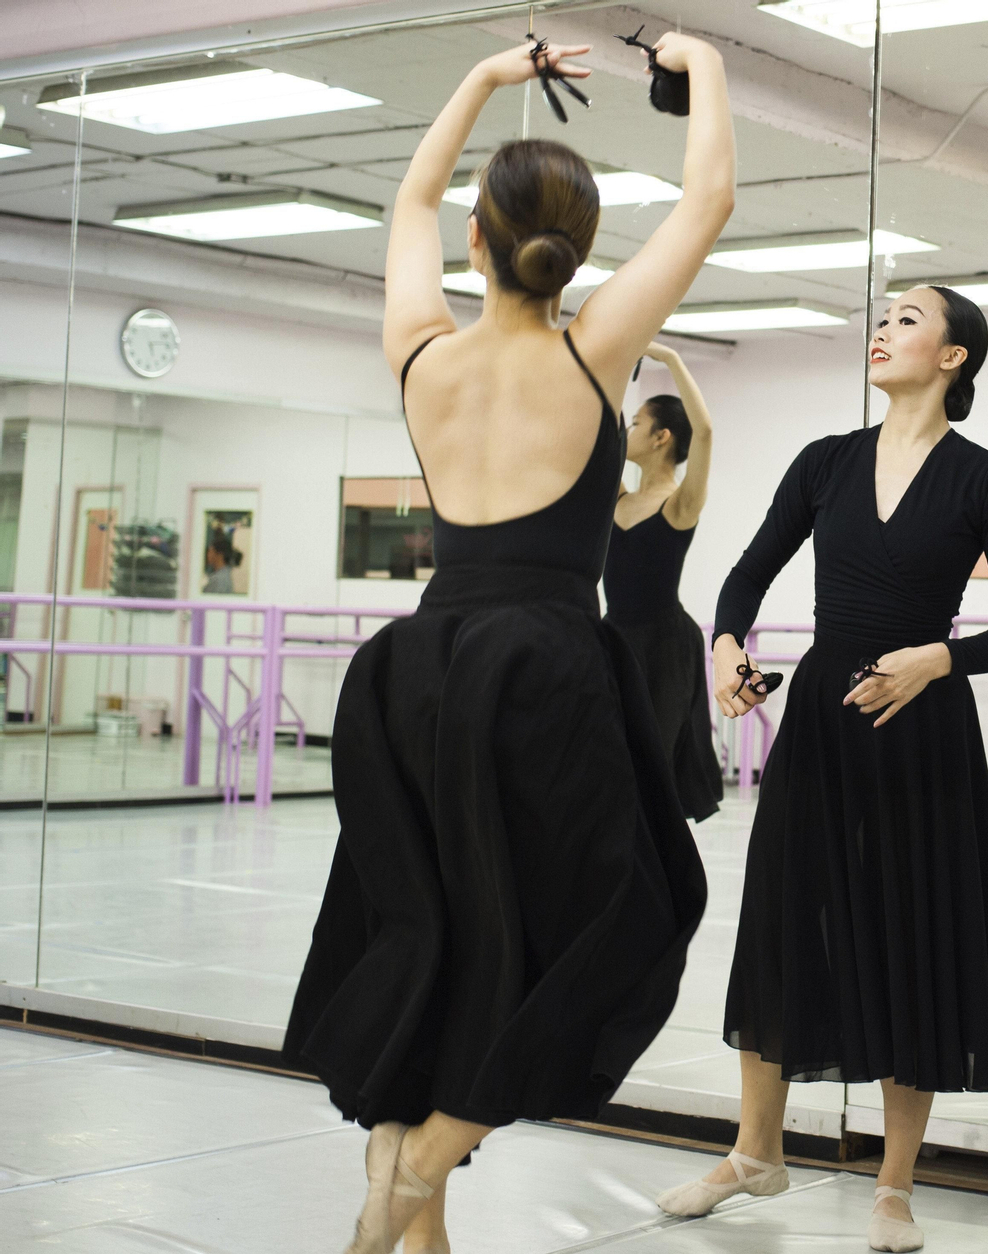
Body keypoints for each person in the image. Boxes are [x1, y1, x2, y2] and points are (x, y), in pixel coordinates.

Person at [282, 32, 734, 1254]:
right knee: (629, 912)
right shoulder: (593, 355)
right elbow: (709, 201)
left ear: (477, 241)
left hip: (412, 672)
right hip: (539, 664)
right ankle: (424, 1159)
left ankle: (400, 1182)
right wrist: (701, 67)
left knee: (427, 923)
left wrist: (484, 79)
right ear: (575, 254)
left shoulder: (423, 352)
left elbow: (410, 195)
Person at [653, 285, 988, 1253]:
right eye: (882, 317)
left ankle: (894, 1186)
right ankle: (756, 1153)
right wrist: (726, 651)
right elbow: (744, 575)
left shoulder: (983, 479)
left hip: (921, 727)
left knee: (908, 932)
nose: (882, 330)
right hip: (826, 721)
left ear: (954, 358)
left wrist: (937, 657)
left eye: (908, 319)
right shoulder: (825, 462)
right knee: (790, 921)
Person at [605, 342, 723, 821]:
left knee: (656, 761)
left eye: (638, 424)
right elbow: (603, 427)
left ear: (661, 438)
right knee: (610, 759)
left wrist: (670, 359)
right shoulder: (616, 498)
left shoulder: (680, 504)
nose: (628, 430)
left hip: (665, 646)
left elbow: (707, 432)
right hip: (614, 638)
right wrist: (616, 366)